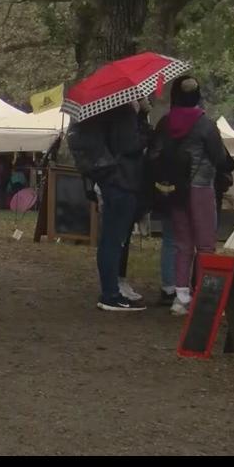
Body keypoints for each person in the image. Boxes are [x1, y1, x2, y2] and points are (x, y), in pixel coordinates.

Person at [147, 75, 234, 314]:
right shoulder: (205, 124)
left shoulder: (165, 122)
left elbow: (154, 153)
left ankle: (180, 298)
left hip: (175, 190)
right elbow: (219, 157)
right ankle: (204, 297)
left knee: (182, 244)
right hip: (201, 188)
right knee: (205, 244)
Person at [68, 100, 148, 311]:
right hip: (123, 180)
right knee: (115, 240)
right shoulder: (124, 112)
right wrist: (145, 126)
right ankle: (111, 294)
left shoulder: (104, 110)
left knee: (109, 240)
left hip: (108, 179)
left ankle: (110, 290)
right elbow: (129, 145)